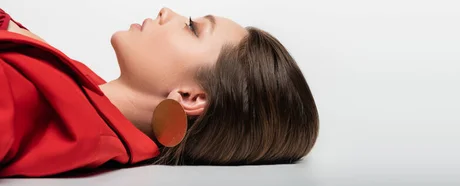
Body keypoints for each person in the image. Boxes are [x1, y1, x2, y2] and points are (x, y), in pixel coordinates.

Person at [0, 7, 319, 177]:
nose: (167, 11)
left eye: (193, 28)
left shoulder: (71, 124)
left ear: (190, 96)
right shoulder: (90, 96)